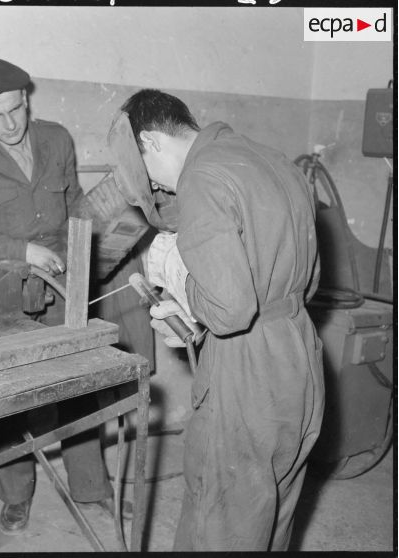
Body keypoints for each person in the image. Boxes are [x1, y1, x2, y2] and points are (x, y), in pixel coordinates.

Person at [0, 57, 152, 534]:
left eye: (16, 109)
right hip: (4, 296)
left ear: (26, 98)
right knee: (12, 400)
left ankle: (92, 489)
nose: (11, 123)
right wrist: (23, 250)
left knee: (80, 390)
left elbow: (74, 202)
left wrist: (104, 218)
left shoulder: (56, 139)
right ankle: (15, 496)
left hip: (66, 288)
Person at [120, 89, 325, 551]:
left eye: (148, 174)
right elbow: (304, 283)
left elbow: (231, 311)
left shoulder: (203, 178)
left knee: (221, 520)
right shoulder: (273, 161)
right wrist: (196, 310)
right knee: (273, 512)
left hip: (244, 374)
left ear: (151, 142)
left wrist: (177, 272)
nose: (156, 188)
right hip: (299, 350)